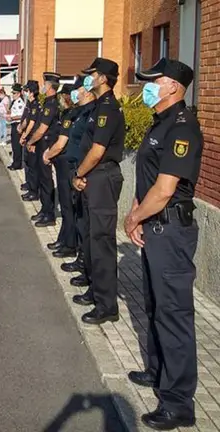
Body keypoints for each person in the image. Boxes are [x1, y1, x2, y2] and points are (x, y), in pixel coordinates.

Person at [123, 58, 203, 431]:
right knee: (155, 305)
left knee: (174, 314)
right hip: (155, 226)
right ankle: (158, 372)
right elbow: (150, 179)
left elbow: (167, 188)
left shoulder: (183, 128)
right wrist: (138, 209)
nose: (146, 87)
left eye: (153, 81)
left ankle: (177, 403)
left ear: (173, 86)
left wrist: (135, 217)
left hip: (170, 231)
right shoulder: (162, 124)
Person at [71, 58, 125, 325]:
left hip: (102, 177)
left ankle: (107, 305)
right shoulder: (96, 107)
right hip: (93, 177)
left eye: (92, 75)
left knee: (101, 242)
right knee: (92, 238)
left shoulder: (108, 109)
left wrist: (79, 174)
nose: (88, 79)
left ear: (103, 78)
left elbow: (97, 151)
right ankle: (96, 290)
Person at [62, 77, 98, 282]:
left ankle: (86, 265)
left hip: (84, 173)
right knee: (79, 218)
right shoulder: (81, 112)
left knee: (86, 223)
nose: (75, 93)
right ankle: (81, 259)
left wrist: (80, 173)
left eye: (79, 89)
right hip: (76, 169)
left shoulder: (95, 111)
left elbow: (94, 149)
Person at [42, 83, 77, 257]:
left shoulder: (71, 115)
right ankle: (63, 239)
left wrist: (48, 155)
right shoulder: (66, 114)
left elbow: (62, 142)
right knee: (65, 206)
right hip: (62, 164)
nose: (60, 100)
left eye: (62, 97)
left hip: (67, 165)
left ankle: (69, 245)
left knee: (68, 207)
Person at [25, 72, 60, 227]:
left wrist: (30, 141)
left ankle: (49, 214)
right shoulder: (46, 103)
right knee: (41, 178)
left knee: (46, 181)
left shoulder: (51, 105)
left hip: (46, 145)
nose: (43, 87)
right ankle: (44, 209)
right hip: (41, 144)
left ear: (51, 86)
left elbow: (42, 129)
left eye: (45, 84)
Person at [19, 80, 40, 202]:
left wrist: (24, 135)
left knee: (33, 167)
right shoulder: (30, 103)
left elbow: (32, 123)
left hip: (32, 138)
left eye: (27, 91)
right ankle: (30, 187)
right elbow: (26, 119)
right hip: (28, 136)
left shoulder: (35, 105)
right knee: (27, 164)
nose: (25, 93)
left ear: (31, 92)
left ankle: (34, 191)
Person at [7, 83, 25, 170]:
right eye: (12, 93)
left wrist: (12, 117)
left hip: (17, 124)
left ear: (19, 93)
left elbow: (22, 115)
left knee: (17, 146)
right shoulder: (14, 102)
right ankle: (15, 162)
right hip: (13, 124)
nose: (13, 95)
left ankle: (17, 164)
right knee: (14, 145)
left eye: (14, 93)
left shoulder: (20, 103)